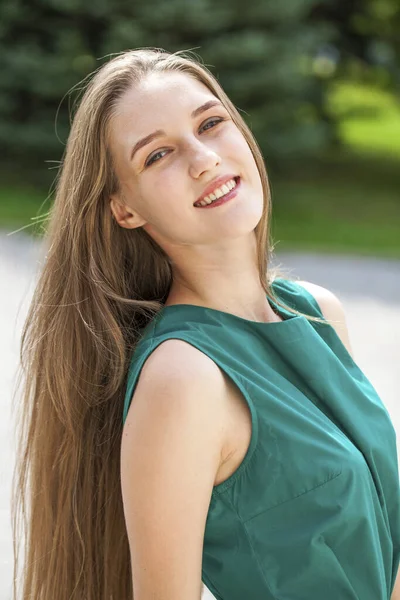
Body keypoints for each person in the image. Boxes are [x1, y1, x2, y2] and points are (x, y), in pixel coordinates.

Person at [12, 47, 400, 600]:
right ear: (126, 209)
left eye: (211, 124)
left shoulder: (318, 313)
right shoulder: (184, 377)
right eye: (158, 155)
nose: (203, 159)